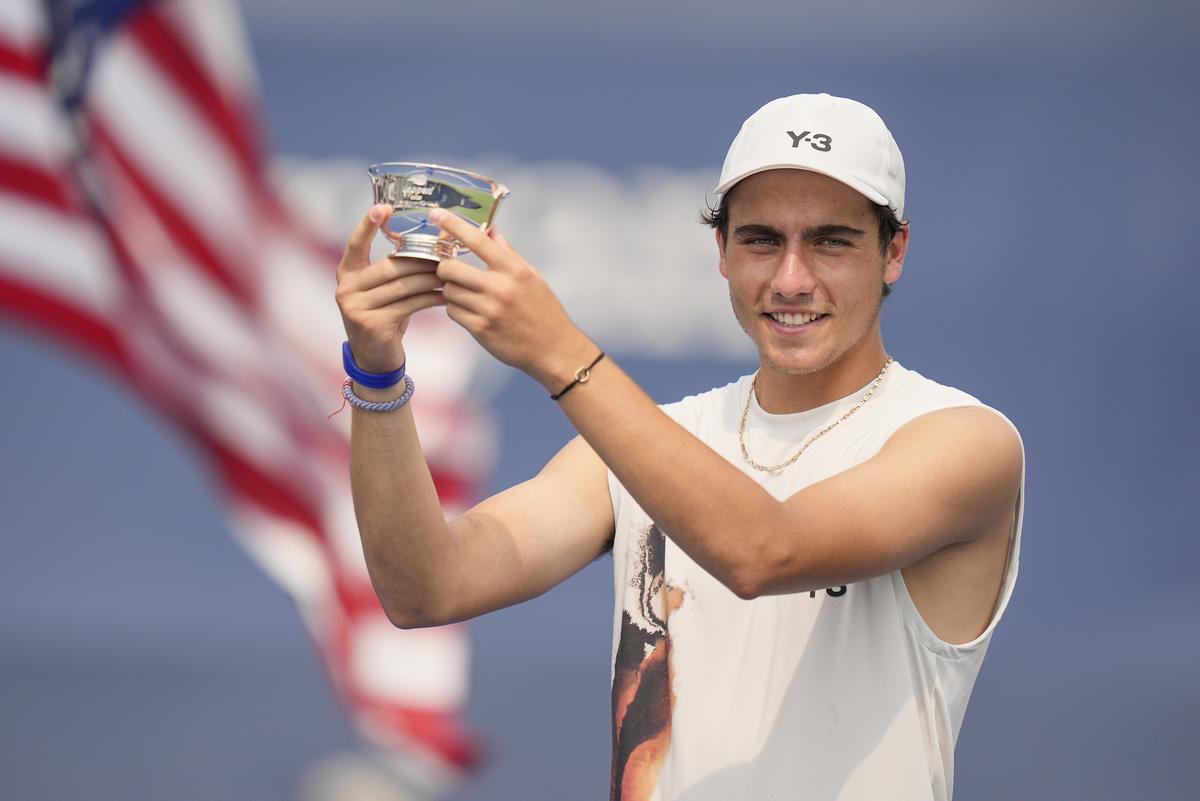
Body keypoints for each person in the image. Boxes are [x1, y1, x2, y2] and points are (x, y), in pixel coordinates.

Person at [334, 93, 1024, 801]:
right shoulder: (651, 442)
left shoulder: (963, 440)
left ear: (894, 251)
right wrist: (377, 375)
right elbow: (426, 588)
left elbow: (762, 552)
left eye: (831, 241)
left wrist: (557, 350)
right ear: (721, 252)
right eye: (761, 240)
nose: (791, 279)